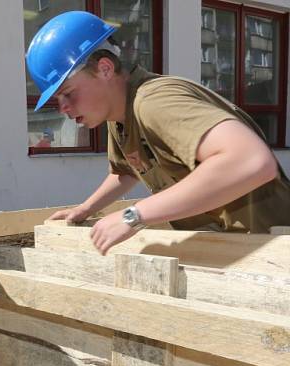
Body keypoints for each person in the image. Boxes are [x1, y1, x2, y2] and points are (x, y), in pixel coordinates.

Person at [26, 11, 290, 254]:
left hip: (270, 251)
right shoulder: (119, 115)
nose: (63, 108)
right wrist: (85, 209)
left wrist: (133, 215)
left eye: (68, 93)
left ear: (105, 69)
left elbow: (251, 161)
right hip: (228, 248)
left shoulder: (154, 101)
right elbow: (127, 170)